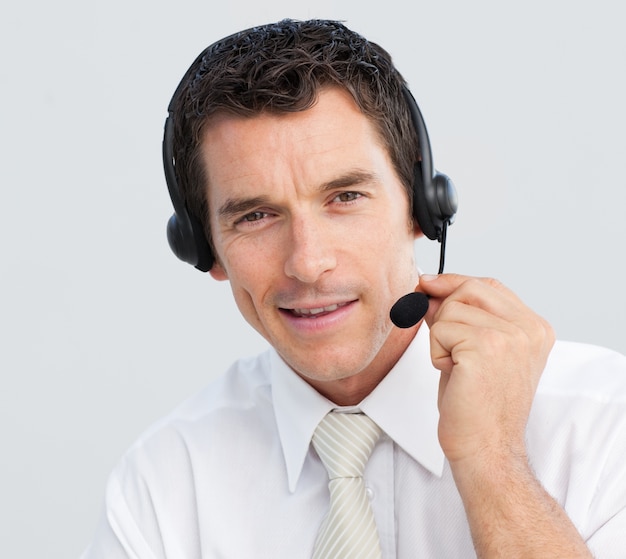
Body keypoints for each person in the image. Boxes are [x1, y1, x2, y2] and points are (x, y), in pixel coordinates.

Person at [82, 19, 626, 558]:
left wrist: (494, 461)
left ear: (421, 208)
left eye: (344, 197)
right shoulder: (163, 482)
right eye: (255, 215)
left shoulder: (601, 424)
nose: (308, 262)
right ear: (206, 250)